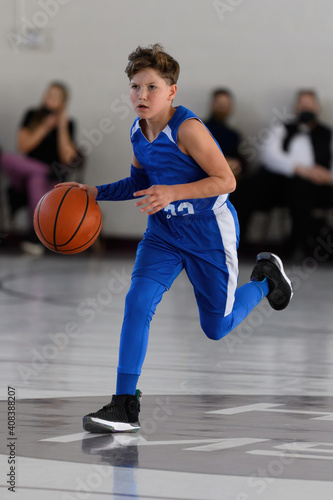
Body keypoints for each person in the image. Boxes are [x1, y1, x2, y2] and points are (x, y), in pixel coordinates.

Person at [57, 44, 293, 434]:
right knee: (137, 302)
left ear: (172, 92)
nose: (142, 95)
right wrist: (92, 192)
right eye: (135, 87)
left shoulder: (188, 129)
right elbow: (137, 183)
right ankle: (124, 405)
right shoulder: (137, 130)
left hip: (208, 234)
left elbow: (227, 181)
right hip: (164, 235)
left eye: (151, 87)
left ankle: (266, 280)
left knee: (216, 328)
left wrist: (172, 192)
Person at [231, 90, 333, 257]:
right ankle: (236, 245)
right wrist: (301, 169)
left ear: (317, 108)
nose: (305, 108)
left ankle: (297, 246)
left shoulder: (328, 134)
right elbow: (270, 155)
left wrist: (326, 175)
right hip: (278, 183)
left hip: (314, 187)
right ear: (296, 108)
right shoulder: (281, 128)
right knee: (246, 188)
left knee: (302, 189)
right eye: (302, 104)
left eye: (309, 104)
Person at [0, 82, 82, 254]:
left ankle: (36, 235)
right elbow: (23, 146)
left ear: (63, 103)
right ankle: (38, 234)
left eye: (56, 97)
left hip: (50, 182)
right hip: (24, 174)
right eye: (49, 94)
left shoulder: (68, 124)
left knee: (36, 179)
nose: (50, 98)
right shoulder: (32, 115)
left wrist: (60, 125)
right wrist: (44, 127)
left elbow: (67, 158)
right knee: (6, 157)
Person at [204, 88, 247, 180]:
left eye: (226, 104)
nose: (222, 108)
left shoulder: (233, 135)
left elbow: (240, 160)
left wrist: (236, 164)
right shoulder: (200, 128)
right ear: (212, 105)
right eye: (219, 104)